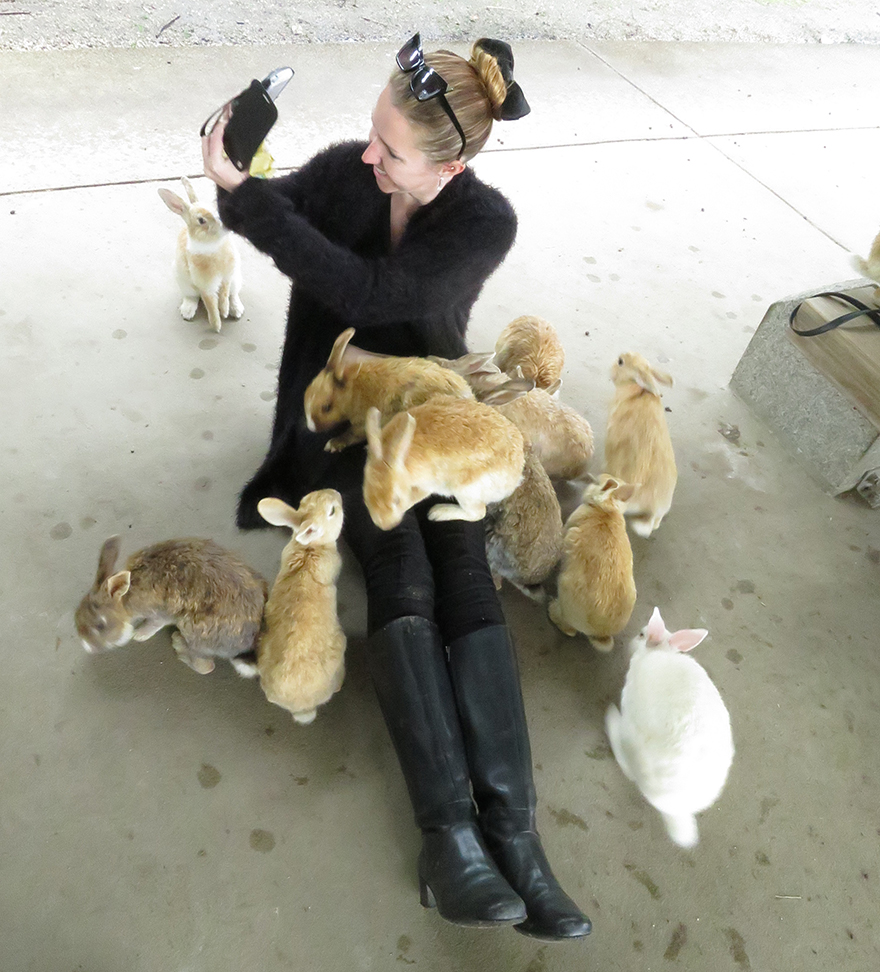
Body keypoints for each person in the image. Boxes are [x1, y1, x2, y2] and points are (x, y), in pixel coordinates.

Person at [202, 33, 591, 941]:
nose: (368, 155)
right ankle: (449, 838)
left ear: (450, 166)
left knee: (459, 562)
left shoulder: (485, 222)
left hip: (430, 411)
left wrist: (251, 200)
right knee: (401, 567)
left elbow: (371, 292)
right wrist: (232, 175)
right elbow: (255, 215)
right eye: (372, 134)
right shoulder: (346, 171)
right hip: (337, 413)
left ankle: (520, 840)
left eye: (393, 150)